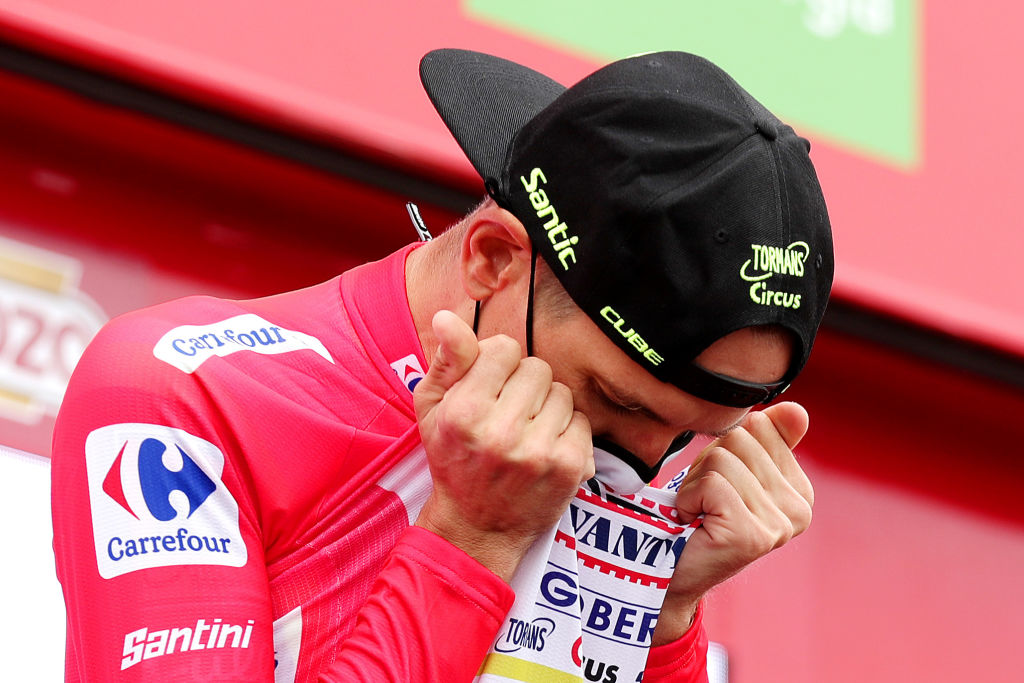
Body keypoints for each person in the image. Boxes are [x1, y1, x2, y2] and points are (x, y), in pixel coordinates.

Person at [51, 48, 833, 682]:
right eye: (615, 399)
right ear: (496, 259)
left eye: (690, 435)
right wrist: (472, 540)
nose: (637, 466)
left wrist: (659, 619)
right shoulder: (184, 393)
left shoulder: (615, 483)